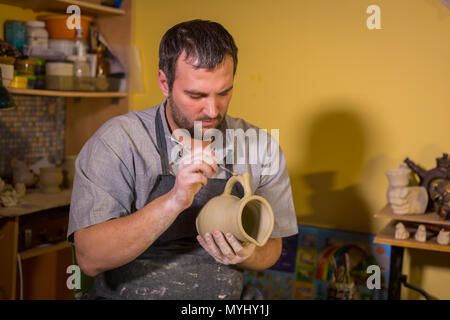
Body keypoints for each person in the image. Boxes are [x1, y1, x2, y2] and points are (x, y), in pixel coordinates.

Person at [68, 19, 298, 300]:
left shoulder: (260, 146)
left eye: (224, 92)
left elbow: (273, 248)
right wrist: (173, 201)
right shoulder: (118, 142)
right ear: (164, 83)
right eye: (196, 95)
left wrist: (248, 253)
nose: (212, 110)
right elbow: (90, 258)